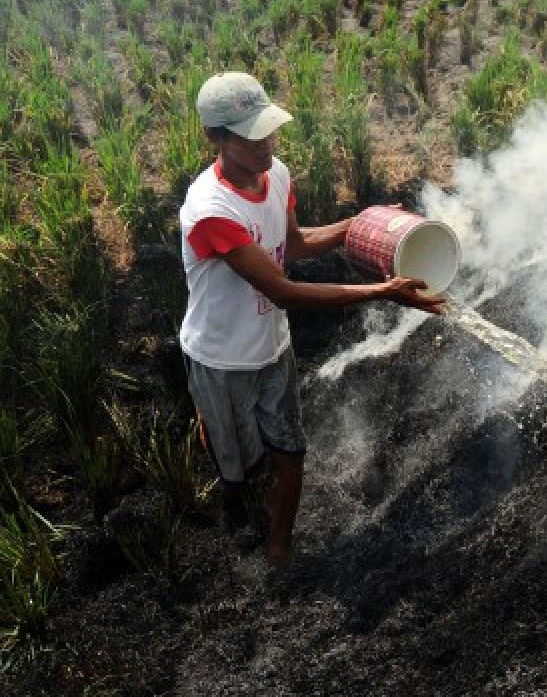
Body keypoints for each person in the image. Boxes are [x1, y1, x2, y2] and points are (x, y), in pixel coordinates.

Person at [178, 71, 444, 570]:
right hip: (222, 359)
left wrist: (359, 224)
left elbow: (294, 245)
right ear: (215, 137)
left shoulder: (275, 174)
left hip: (273, 349)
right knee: (241, 472)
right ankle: (224, 467)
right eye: (250, 135)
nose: (266, 144)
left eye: (268, 130)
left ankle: (279, 548)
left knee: (289, 455)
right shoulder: (210, 212)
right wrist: (382, 291)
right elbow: (283, 289)